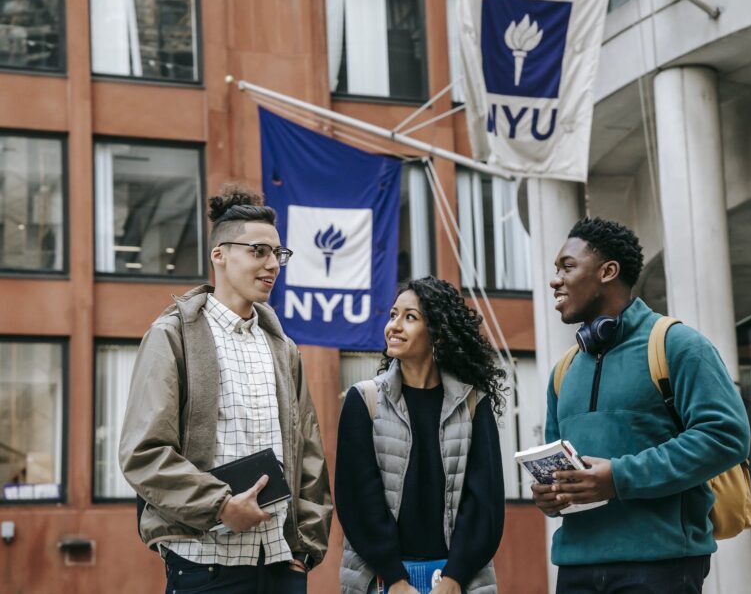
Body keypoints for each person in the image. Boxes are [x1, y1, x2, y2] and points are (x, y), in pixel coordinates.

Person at [119, 186, 333, 594]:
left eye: (278, 254)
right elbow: (144, 453)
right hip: (203, 565)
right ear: (220, 255)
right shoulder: (173, 336)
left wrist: (304, 550)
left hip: (279, 565)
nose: (272, 264)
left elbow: (309, 455)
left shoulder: (283, 348)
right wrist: (220, 506)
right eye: (259, 251)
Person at [532, 218, 751, 594]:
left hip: (661, 565)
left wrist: (617, 478)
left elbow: (726, 436)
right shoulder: (563, 371)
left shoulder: (677, 345)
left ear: (608, 271)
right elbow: (559, 461)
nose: (555, 280)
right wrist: (553, 495)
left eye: (568, 267)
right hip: (575, 568)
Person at [336, 277, 506, 594]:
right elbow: (358, 501)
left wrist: (454, 578)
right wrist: (396, 579)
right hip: (381, 581)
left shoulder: (473, 403)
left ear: (438, 334)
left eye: (410, 317)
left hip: (460, 582)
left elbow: (485, 502)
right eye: (393, 315)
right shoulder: (364, 401)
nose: (394, 326)